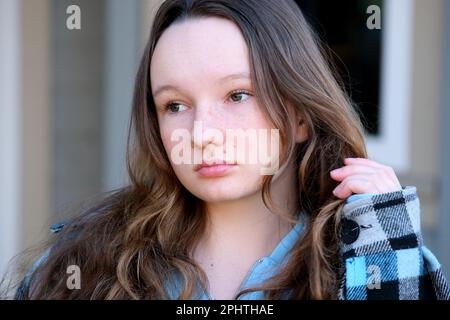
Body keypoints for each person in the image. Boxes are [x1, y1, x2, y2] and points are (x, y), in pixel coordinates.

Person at [14, 0, 450, 300]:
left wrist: (384, 234)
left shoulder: (375, 253)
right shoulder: (84, 262)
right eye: (175, 105)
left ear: (299, 115)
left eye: (238, 95)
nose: (201, 133)